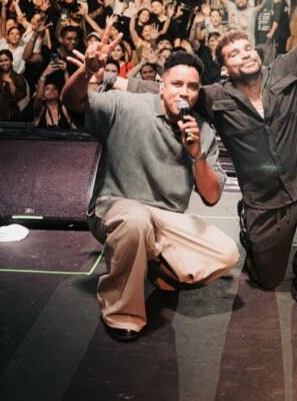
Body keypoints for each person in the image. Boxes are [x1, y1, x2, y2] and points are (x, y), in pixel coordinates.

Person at [103, 0, 297, 304]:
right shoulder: (216, 97)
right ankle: (254, 238)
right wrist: (109, 78)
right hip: (262, 201)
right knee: (266, 280)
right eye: (234, 54)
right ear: (225, 69)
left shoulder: (287, 68)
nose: (245, 54)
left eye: (247, 48)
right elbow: (162, 87)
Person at [62, 49, 238, 342]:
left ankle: (157, 266)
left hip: (164, 220)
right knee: (136, 221)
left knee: (226, 253)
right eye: (177, 84)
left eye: (192, 87)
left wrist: (196, 155)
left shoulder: (202, 131)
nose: (185, 92)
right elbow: (74, 102)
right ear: (162, 84)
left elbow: (211, 196)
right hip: (116, 207)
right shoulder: (126, 105)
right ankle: (122, 313)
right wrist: (85, 74)